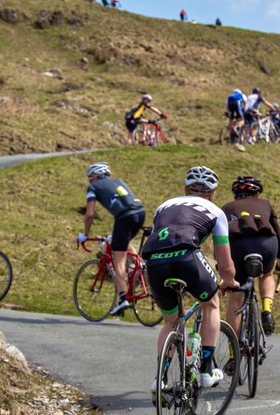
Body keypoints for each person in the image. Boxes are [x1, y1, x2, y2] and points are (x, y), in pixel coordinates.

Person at [143, 167, 238, 398]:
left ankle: (161, 378)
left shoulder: (163, 206)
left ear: (185, 189)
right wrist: (229, 281)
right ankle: (206, 370)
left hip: (154, 263)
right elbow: (224, 262)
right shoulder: (216, 212)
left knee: (171, 322)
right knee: (211, 304)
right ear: (213, 193)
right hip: (187, 257)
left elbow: (158, 237)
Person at [77, 163, 146, 315]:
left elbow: (89, 214)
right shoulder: (119, 181)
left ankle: (123, 299)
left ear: (94, 177)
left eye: (90, 179)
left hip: (124, 218)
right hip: (140, 213)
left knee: (118, 258)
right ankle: (140, 266)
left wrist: (85, 235)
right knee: (122, 242)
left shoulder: (93, 188)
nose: (90, 182)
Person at [223, 177, 280, 335]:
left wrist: (224, 269)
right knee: (267, 274)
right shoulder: (265, 205)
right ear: (257, 194)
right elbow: (279, 239)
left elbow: (221, 240)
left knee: (236, 296)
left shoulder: (226, 208)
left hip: (238, 246)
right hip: (267, 245)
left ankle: (234, 352)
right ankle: (267, 310)